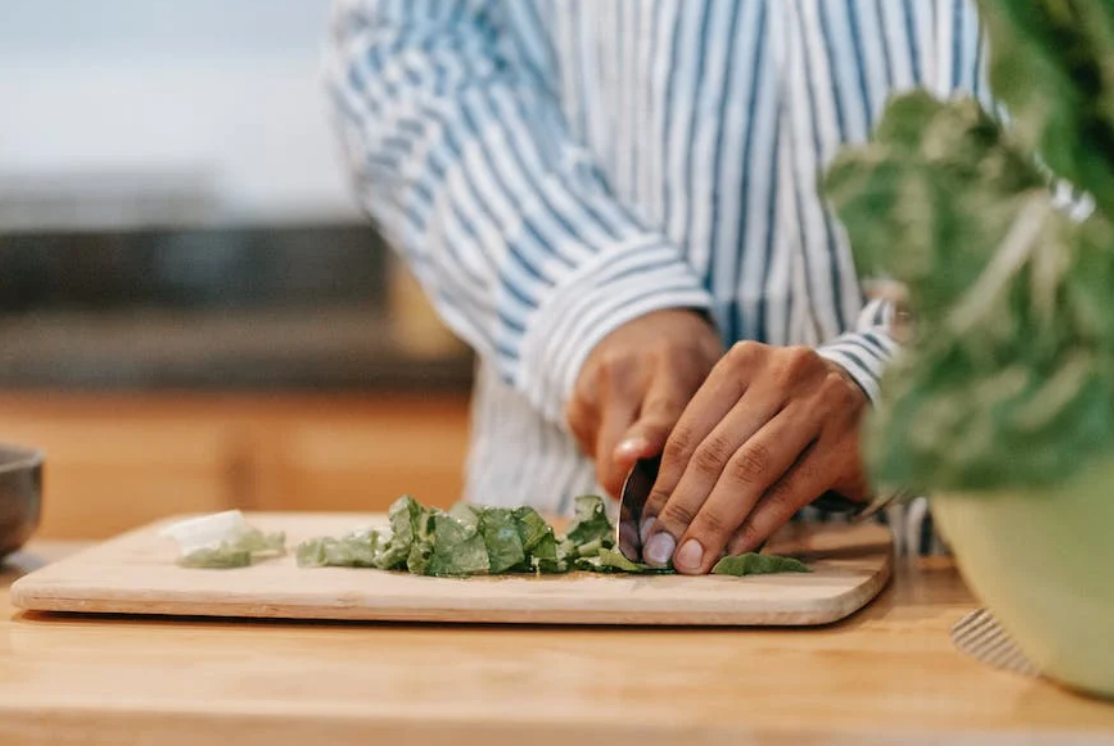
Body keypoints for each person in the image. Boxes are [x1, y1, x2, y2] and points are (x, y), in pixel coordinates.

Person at [325, 0, 987, 572]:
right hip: (562, 573)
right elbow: (402, 47)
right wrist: (596, 295)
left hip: (991, 567)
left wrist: (904, 376)